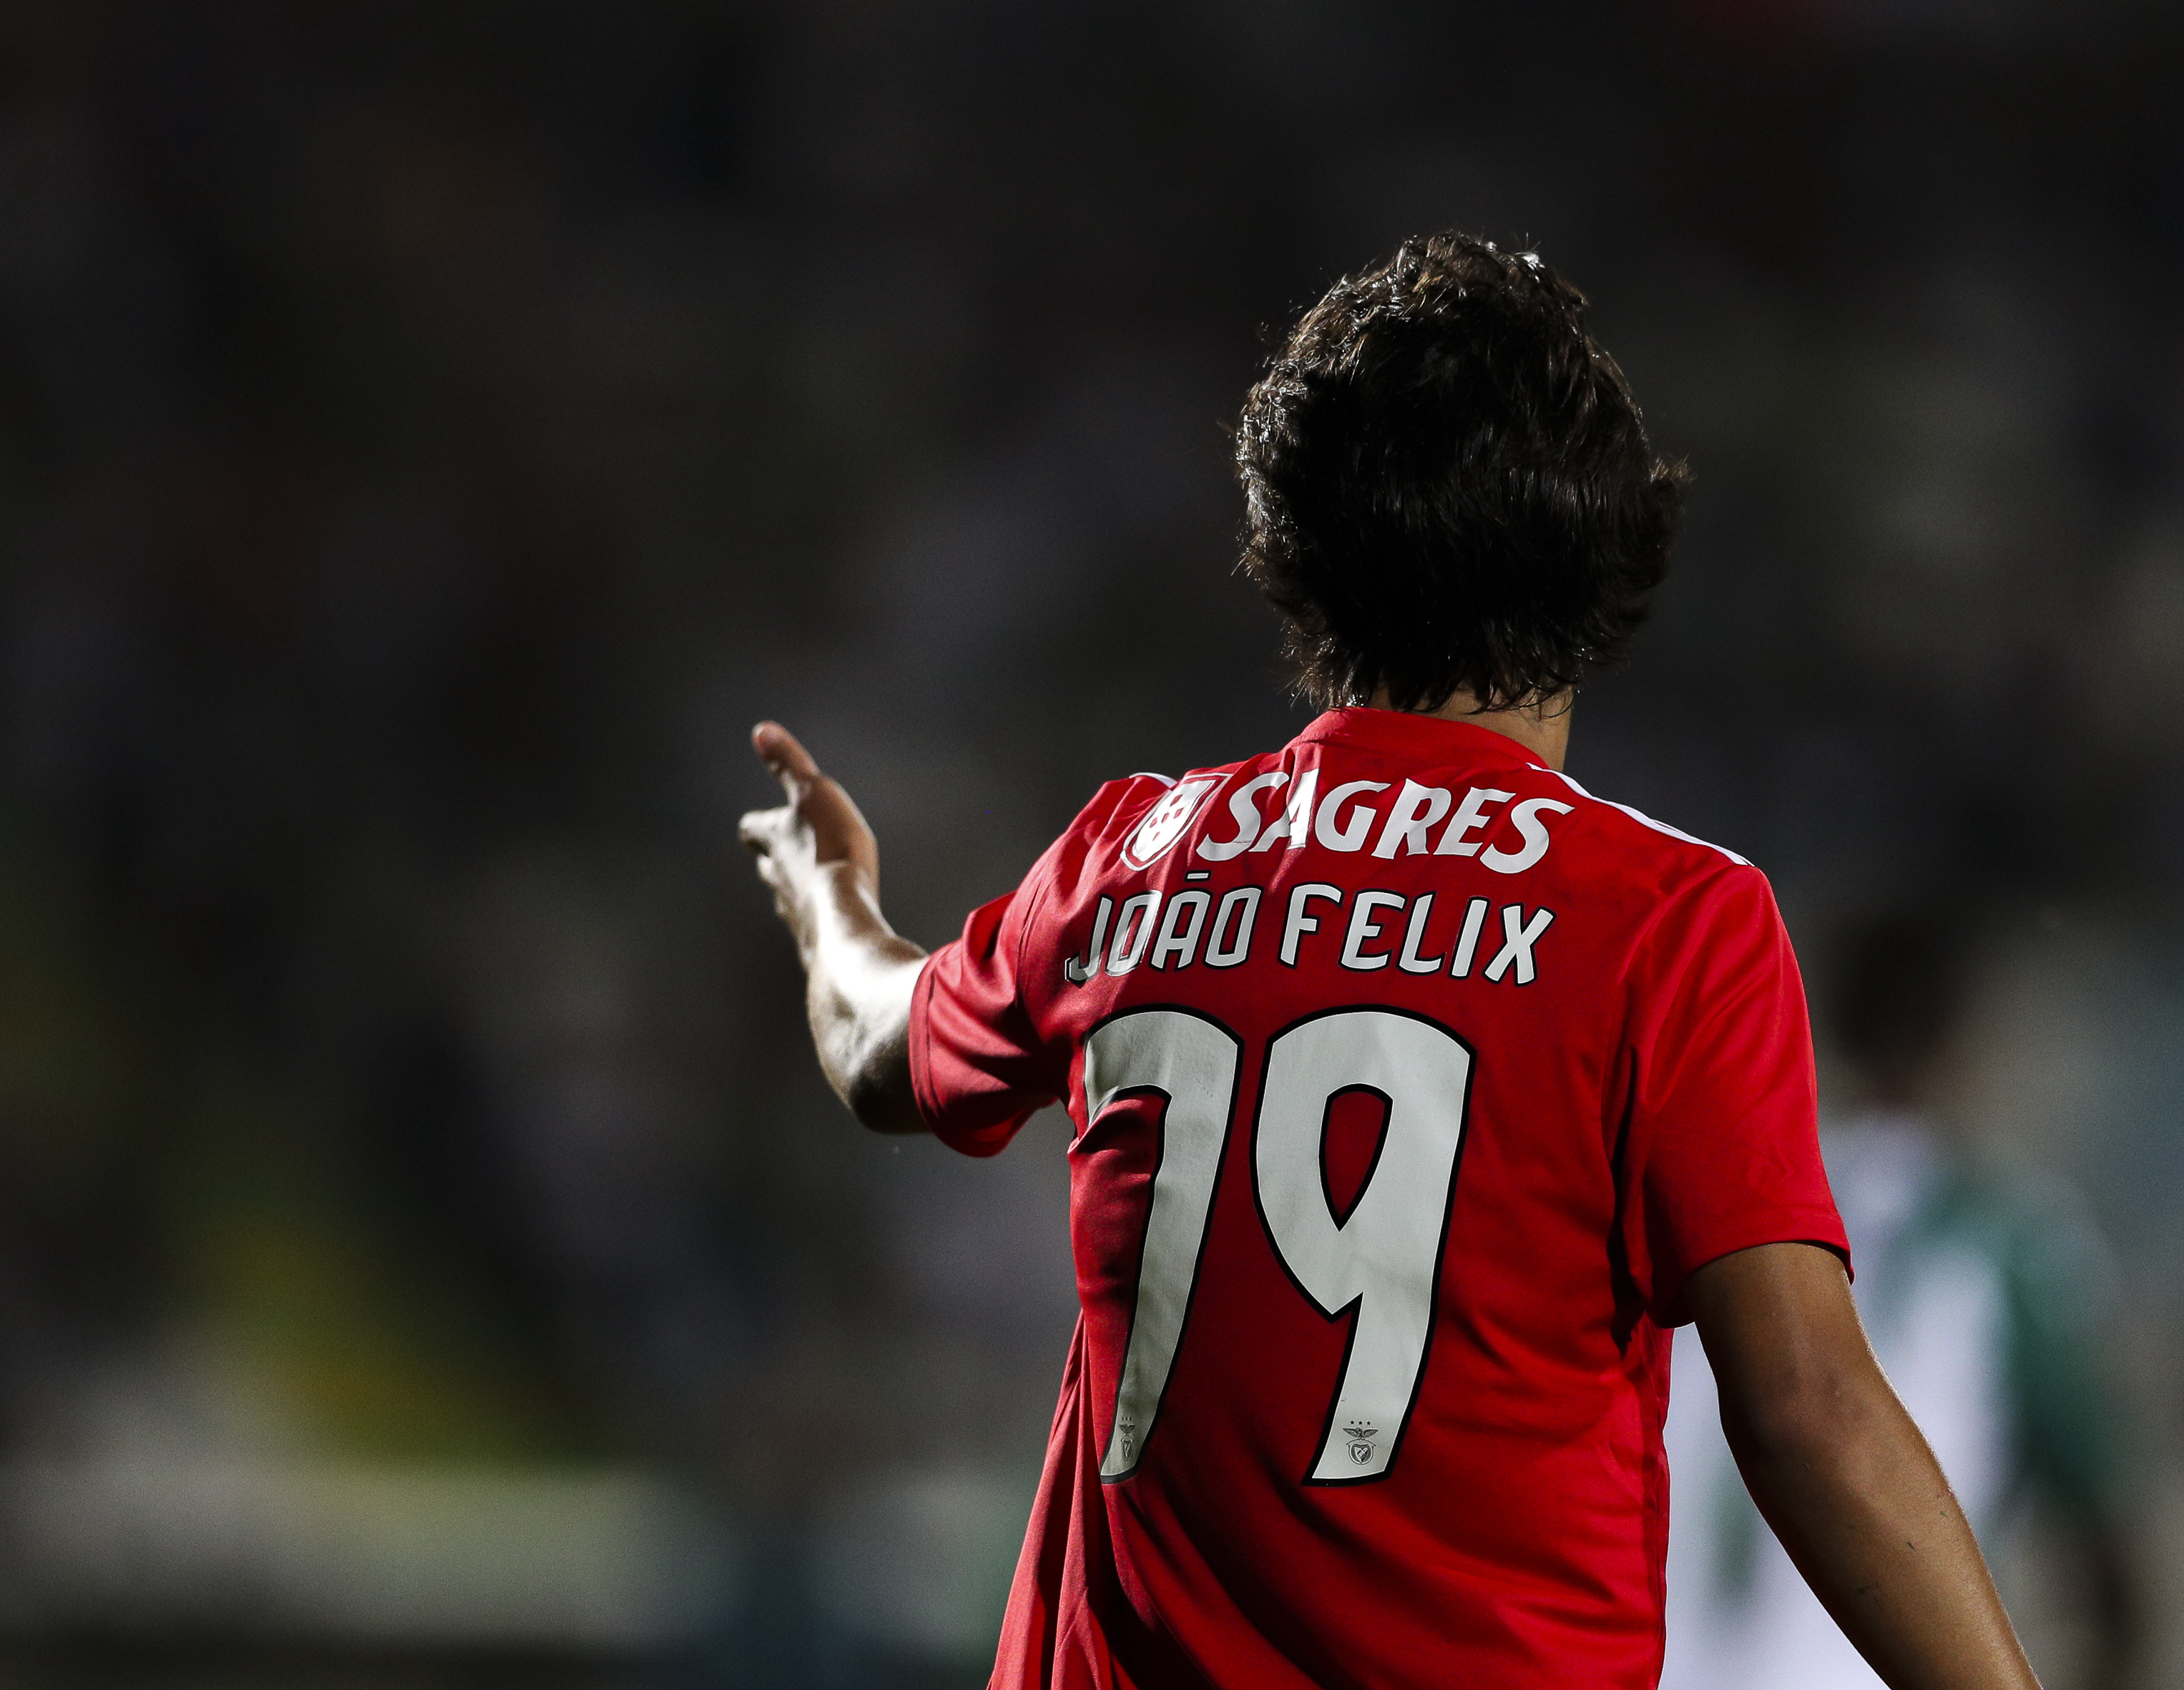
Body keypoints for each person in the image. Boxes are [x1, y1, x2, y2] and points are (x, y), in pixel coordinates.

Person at [740, 234, 2037, 1690]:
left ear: (1291, 549)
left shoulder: (1135, 857)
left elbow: (873, 1044)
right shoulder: (1666, 919)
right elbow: (1805, 1404)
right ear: (1607, 558)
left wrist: (825, 888)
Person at [1663, 910, 2135, 1690]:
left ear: (1831, 1025)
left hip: (1653, 1666)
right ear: (1965, 1042)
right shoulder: (2005, 1240)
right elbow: (2104, 1549)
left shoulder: (1715, 1191)